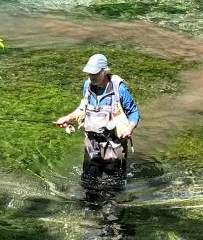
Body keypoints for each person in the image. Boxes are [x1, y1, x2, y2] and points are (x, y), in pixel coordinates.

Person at [55, 53, 140, 186]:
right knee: (88, 184)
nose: (91, 77)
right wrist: (68, 118)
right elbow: (82, 108)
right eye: (89, 74)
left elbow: (134, 113)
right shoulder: (87, 86)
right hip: (91, 144)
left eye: (95, 74)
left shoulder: (119, 89)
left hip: (114, 145)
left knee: (114, 187)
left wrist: (129, 129)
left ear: (105, 72)